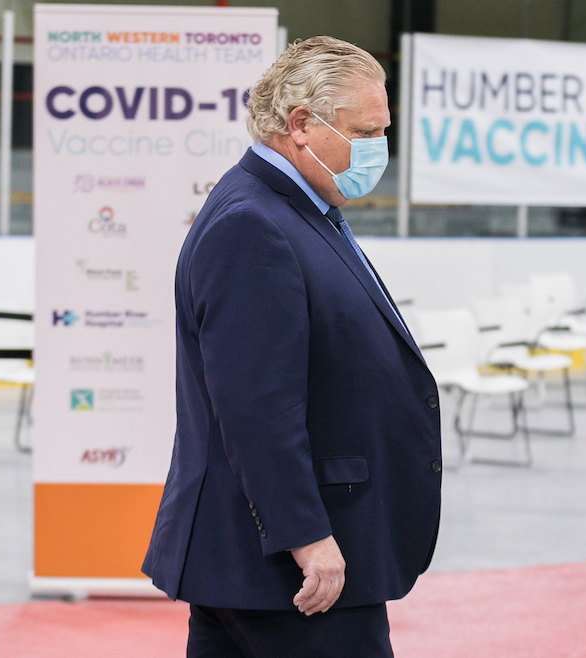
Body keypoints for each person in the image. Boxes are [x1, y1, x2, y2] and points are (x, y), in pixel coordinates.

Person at [141, 36, 443, 657]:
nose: (378, 149)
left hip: (265, 563)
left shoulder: (301, 209)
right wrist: (306, 537)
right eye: (365, 130)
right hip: (292, 566)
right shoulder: (254, 225)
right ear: (301, 124)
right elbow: (256, 406)